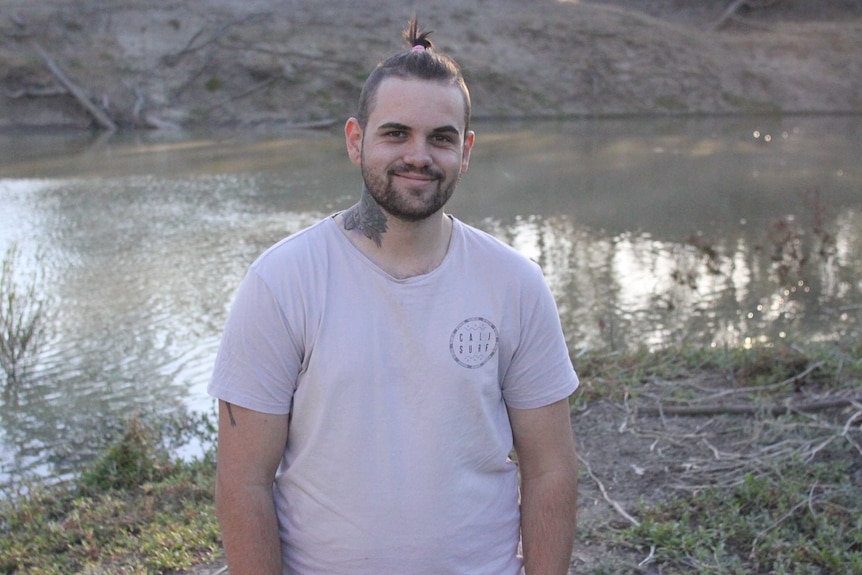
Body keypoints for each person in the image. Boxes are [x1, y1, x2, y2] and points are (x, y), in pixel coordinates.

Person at [209, 16, 579, 575]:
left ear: (466, 150)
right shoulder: (282, 282)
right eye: (396, 133)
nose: (419, 156)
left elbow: (550, 469)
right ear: (356, 141)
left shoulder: (515, 284)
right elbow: (244, 482)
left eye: (441, 138)